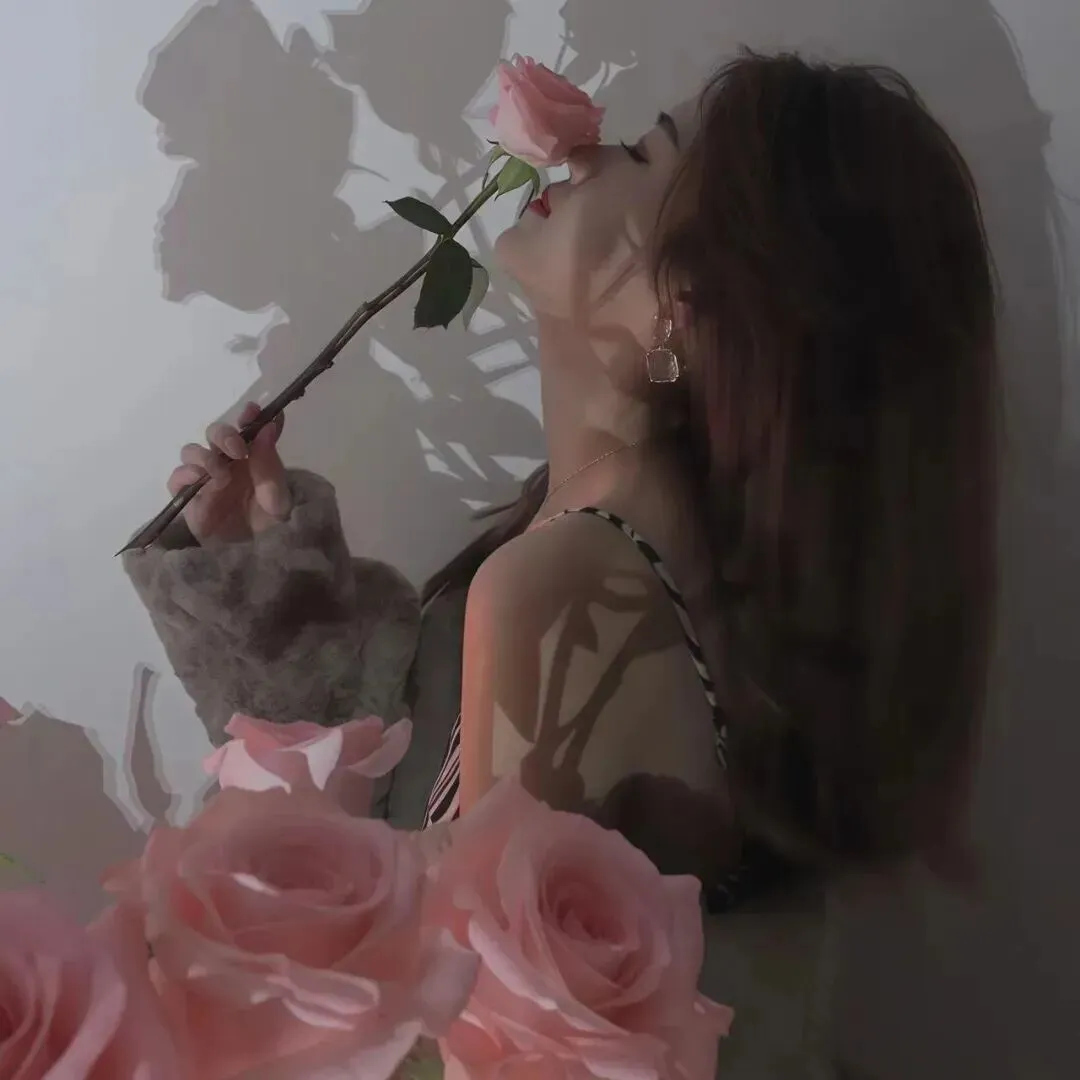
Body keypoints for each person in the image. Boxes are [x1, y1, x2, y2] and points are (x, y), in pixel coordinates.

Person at [125, 51, 998, 909]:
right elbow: (414, 816)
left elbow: (436, 978)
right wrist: (268, 577)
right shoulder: (628, 539)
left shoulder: (571, 584)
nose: (583, 153)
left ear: (686, 306)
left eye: (642, 154)